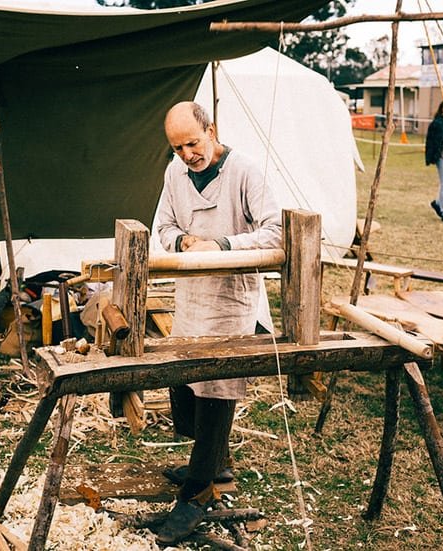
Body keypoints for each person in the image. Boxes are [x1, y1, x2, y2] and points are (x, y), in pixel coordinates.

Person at [154, 101, 282, 545]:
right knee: (185, 380)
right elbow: (162, 226)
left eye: (193, 143)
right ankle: (214, 462)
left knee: (216, 386)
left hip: (231, 299)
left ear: (211, 130)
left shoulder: (245, 171)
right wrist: (184, 241)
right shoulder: (175, 173)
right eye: (178, 148)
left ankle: (197, 490)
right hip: (193, 296)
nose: (187, 154)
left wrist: (223, 245)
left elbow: (275, 231)